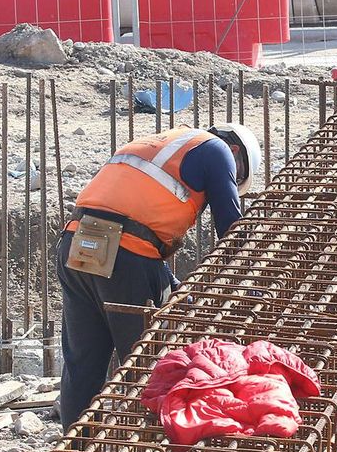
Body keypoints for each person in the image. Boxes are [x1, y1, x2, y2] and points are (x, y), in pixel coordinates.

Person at [57, 124, 262, 429]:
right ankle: (145, 440)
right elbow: (231, 230)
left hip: (75, 245)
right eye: (237, 176)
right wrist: (252, 280)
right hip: (125, 256)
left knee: (82, 364)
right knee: (147, 361)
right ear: (235, 151)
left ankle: (75, 446)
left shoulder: (158, 145)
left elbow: (131, 226)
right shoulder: (218, 150)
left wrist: (172, 283)